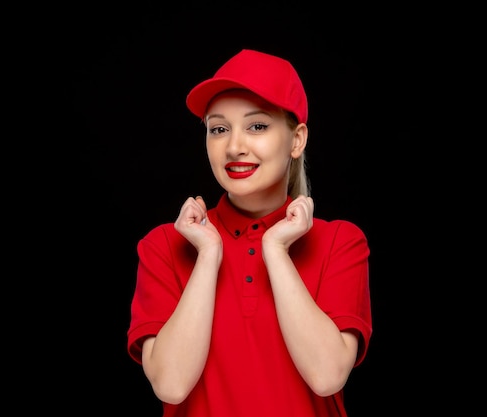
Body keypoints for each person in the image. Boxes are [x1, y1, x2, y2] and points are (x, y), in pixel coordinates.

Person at [127, 49, 372, 416]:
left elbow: (327, 375)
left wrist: (276, 248)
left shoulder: (341, 242)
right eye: (219, 129)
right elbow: (171, 385)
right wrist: (208, 254)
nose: (235, 147)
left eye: (257, 126)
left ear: (297, 140)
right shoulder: (164, 245)